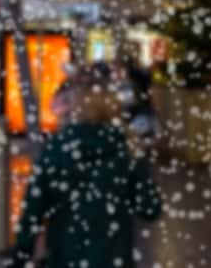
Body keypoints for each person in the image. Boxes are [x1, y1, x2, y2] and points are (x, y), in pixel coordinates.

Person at [12, 75, 162, 267]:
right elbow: (150, 208)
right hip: (113, 260)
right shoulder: (125, 150)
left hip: (65, 258)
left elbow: (32, 213)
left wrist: (21, 256)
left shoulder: (58, 148)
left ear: (76, 106)